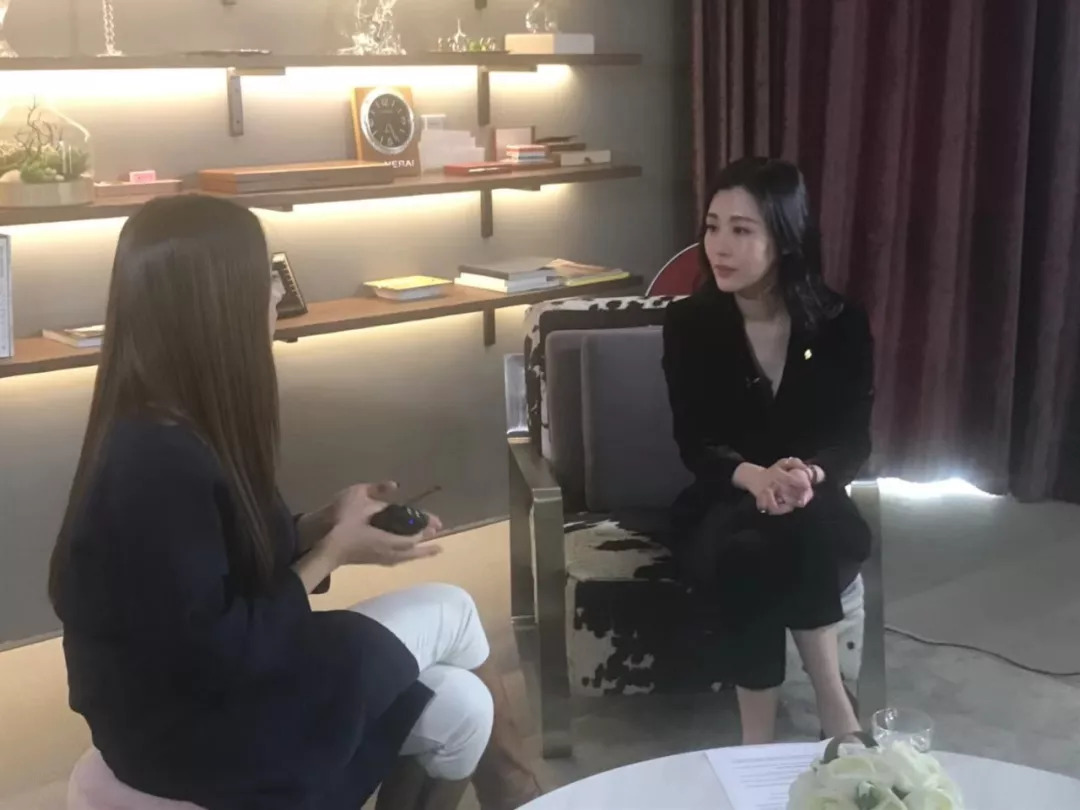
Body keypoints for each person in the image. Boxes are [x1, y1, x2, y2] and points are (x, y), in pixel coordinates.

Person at [49, 194, 542, 810]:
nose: (279, 294)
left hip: (203, 703)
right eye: (266, 278)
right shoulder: (157, 462)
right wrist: (331, 554)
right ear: (217, 305)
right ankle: (526, 797)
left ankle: (521, 796)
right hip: (193, 735)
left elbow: (214, 574)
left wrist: (320, 524)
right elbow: (219, 647)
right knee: (455, 610)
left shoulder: (175, 425)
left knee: (463, 705)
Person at [661, 157, 874, 745]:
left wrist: (809, 474)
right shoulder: (690, 324)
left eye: (741, 230)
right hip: (721, 502)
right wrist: (755, 477)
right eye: (712, 227)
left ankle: (756, 746)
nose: (719, 246)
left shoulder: (840, 322)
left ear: (783, 238)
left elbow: (853, 437)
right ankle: (837, 712)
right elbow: (694, 442)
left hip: (816, 503)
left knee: (779, 534)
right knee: (754, 542)